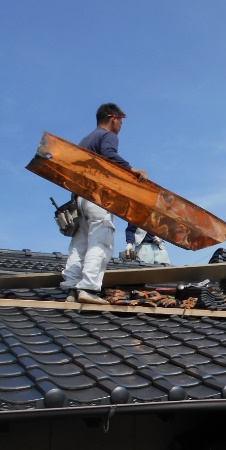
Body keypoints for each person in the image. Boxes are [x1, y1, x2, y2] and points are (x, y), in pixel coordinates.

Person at [60, 103, 148, 304]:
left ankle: (72, 288)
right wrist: (132, 170)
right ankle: (88, 288)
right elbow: (109, 154)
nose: (121, 127)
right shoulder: (107, 136)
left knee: (79, 244)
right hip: (98, 198)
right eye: (121, 121)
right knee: (101, 241)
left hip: (80, 199)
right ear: (114, 118)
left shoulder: (86, 140)